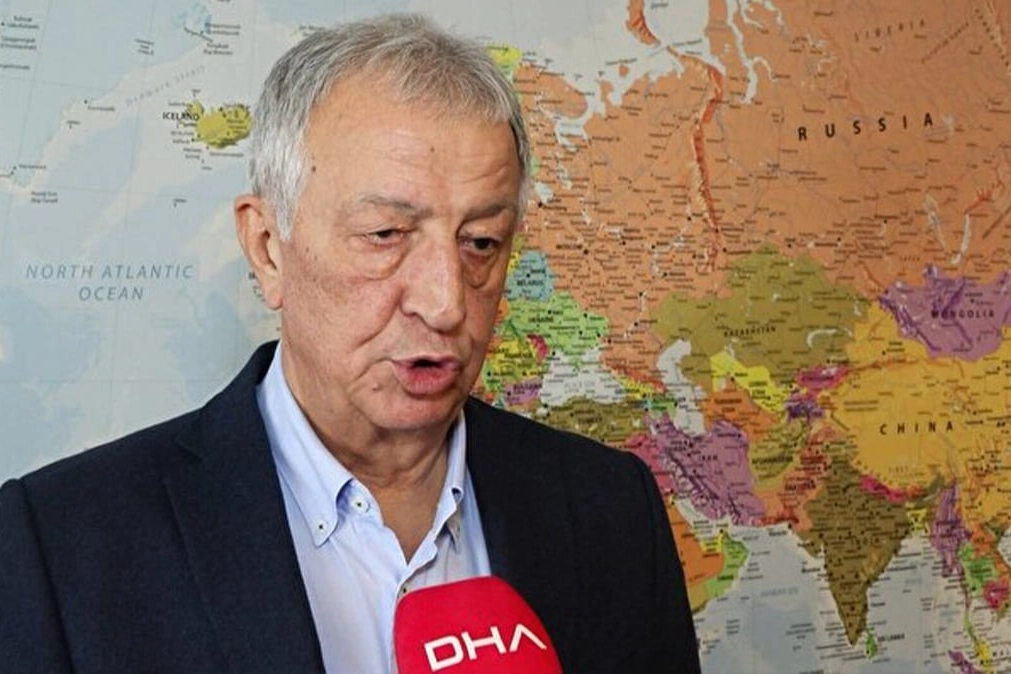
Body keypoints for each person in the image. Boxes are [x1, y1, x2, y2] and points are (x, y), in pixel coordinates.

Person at [0, 13, 701, 674]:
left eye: (481, 242)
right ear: (268, 248)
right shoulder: (59, 548)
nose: (445, 302)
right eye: (385, 235)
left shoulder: (613, 511)